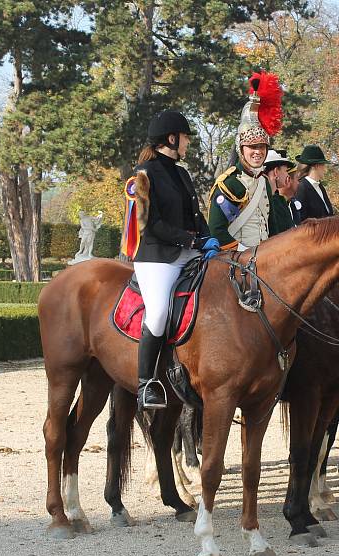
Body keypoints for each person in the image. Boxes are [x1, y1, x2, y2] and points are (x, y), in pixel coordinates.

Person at [131, 110, 219, 411]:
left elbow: (195, 215)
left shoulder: (182, 173)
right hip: (157, 258)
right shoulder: (143, 175)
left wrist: (209, 239)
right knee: (158, 313)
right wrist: (192, 240)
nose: (188, 144)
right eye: (186, 138)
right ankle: (146, 384)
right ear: (172, 138)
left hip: (190, 251)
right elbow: (149, 225)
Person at [208, 71, 284, 251]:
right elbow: (216, 230)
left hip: (263, 261)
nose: (258, 152)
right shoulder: (229, 183)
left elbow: (272, 226)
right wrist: (245, 253)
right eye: (252, 147)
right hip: (235, 262)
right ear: (241, 149)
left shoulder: (264, 182)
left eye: (262, 147)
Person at [294, 145, 334, 220]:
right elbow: (301, 219)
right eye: (323, 165)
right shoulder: (301, 188)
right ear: (316, 166)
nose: (325, 169)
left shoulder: (320, 187)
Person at [264, 148, 298, 234]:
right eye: (285, 171)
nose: (287, 174)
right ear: (276, 172)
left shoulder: (278, 200)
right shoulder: (273, 202)